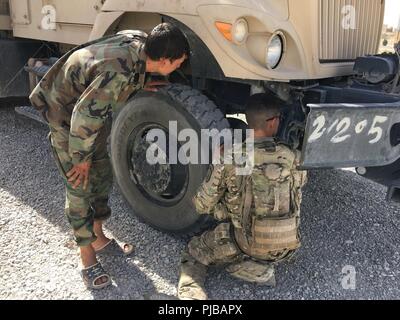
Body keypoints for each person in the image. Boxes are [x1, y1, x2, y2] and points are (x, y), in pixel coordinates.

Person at [29, 23, 189, 290]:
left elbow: (122, 71)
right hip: (66, 113)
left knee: (102, 172)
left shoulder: (141, 41)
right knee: (79, 184)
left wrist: (139, 83)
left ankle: (97, 236)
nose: (178, 70)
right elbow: (83, 115)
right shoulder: (117, 74)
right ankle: (86, 258)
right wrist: (80, 158)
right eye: (177, 64)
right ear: (163, 60)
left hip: (91, 112)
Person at [177, 93, 308, 300]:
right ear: (273, 122)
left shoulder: (231, 156)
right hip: (288, 244)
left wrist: (217, 163)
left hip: (245, 242)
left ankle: (191, 296)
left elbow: (202, 204)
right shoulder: (293, 157)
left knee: (193, 252)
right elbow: (297, 193)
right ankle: (262, 265)